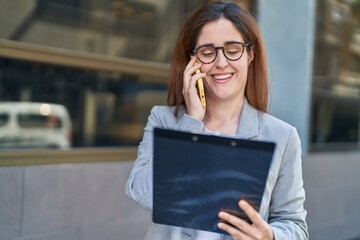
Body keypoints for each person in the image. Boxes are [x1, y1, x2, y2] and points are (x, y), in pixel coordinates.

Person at [126, 2, 308, 240]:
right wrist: (191, 123)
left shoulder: (282, 136)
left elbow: (295, 224)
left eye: (232, 49)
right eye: (208, 52)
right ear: (193, 60)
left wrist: (270, 235)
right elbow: (141, 192)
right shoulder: (164, 120)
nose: (221, 63)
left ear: (250, 54)